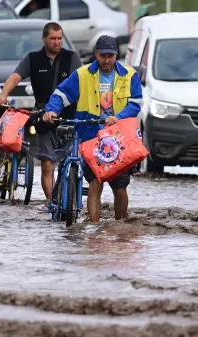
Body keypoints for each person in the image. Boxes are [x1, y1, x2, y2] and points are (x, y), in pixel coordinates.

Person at [43, 35, 143, 223]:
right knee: (95, 184)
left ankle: (119, 227)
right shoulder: (82, 75)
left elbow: (135, 103)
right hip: (90, 138)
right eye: (103, 55)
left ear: (116, 55)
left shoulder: (130, 75)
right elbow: (61, 94)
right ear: (96, 54)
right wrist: (51, 111)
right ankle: (95, 228)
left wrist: (118, 117)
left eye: (110, 56)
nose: (106, 61)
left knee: (120, 188)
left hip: (119, 139)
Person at [0, 22, 82, 208]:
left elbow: (81, 83)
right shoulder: (33, 59)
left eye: (59, 38)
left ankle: (70, 202)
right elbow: (16, 77)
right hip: (43, 117)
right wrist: (3, 95)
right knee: (47, 164)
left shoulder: (72, 58)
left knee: (71, 163)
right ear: (44, 38)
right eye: (52, 38)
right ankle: (53, 204)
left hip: (68, 117)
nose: (57, 42)